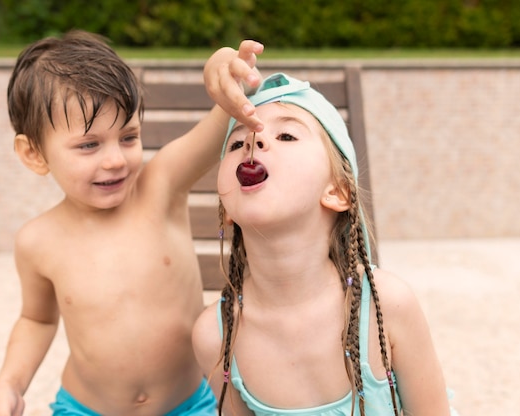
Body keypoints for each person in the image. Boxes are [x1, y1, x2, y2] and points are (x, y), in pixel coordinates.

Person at [0, 30, 264, 416]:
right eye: (89, 145)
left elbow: (220, 124)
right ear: (33, 153)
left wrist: (223, 75)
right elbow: (36, 319)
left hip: (191, 404)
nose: (115, 159)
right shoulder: (38, 241)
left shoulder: (161, 187)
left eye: (128, 137)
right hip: (84, 409)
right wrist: (9, 385)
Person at [192, 72, 456, 415]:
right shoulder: (217, 337)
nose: (254, 140)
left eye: (286, 135)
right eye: (236, 142)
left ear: (338, 192)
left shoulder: (386, 307)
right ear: (225, 207)